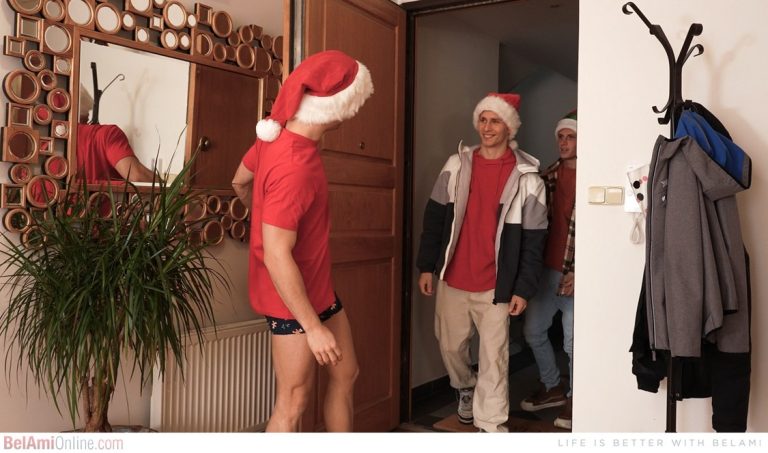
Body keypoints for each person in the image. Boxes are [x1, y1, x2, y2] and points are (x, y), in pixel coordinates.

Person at [230, 50, 374, 432]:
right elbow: (277, 255)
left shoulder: (274, 134)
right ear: (337, 106)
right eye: (356, 102)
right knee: (293, 402)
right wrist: (312, 327)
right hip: (290, 300)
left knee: (347, 373)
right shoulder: (295, 167)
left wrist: (265, 222)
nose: (357, 111)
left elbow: (240, 181)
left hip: (318, 288)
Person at [416, 93, 548, 433]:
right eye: (483, 120)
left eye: (495, 121)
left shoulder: (528, 178)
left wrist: (523, 289)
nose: (487, 127)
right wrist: (427, 266)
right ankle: (465, 386)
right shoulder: (456, 165)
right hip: (453, 278)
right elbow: (434, 218)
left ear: (510, 127)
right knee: (450, 346)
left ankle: (491, 425)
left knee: (494, 358)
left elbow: (534, 242)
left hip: (496, 287)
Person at [520, 110, 577, 430]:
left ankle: (576, 396)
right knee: (533, 331)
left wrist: (580, 270)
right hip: (546, 270)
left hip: (575, 273)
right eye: (561, 137)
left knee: (572, 342)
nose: (564, 143)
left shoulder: (593, 177)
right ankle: (552, 385)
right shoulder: (547, 176)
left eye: (571, 137)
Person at [77, 85, 155, 183]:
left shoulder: (58, 142)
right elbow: (136, 176)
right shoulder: (107, 134)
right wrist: (168, 186)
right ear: (87, 114)